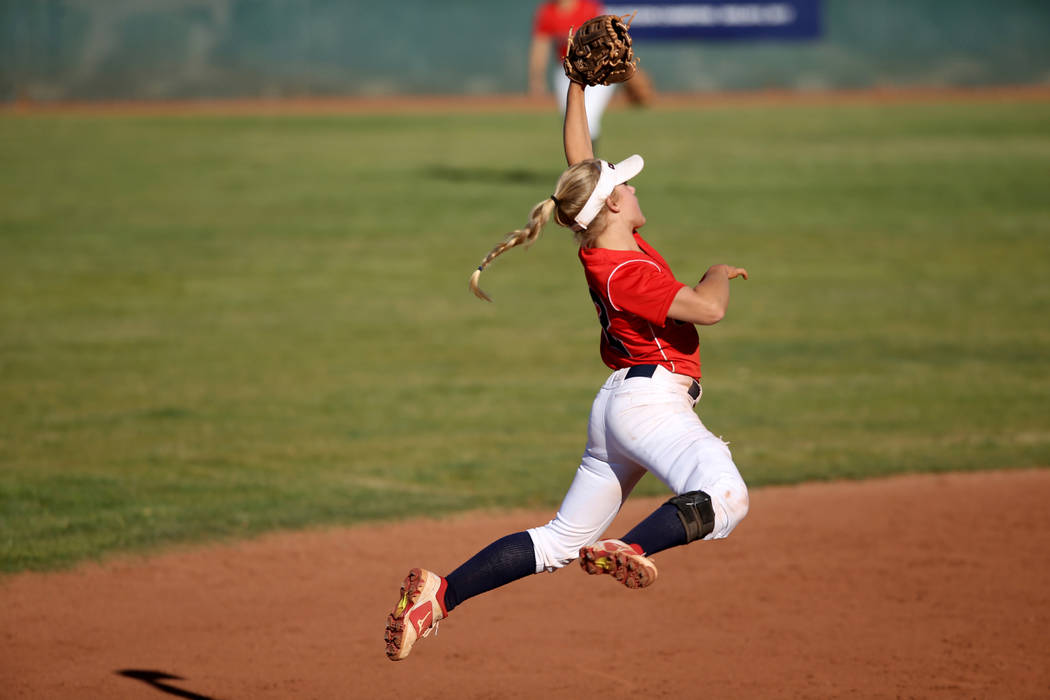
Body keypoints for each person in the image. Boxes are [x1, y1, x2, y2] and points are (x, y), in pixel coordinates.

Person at [384, 79, 751, 662]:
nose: (632, 187)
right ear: (610, 204)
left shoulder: (600, 242)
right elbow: (708, 310)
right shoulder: (628, 271)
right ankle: (631, 547)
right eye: (624, 185)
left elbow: (580, 165)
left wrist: (578, 84)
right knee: (726, 495)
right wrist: (715, 270)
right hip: (649, 404)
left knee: (560, 540)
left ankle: (442, 594)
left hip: (617, 407)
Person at [529, 0, 618, 144]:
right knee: (571, 120)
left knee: (588, 117)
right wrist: (536, 79)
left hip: (597, 69)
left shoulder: (589, 8)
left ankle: (589, 164)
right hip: (568, 71)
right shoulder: (548, 12)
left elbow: (609, 40)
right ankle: (584, 164)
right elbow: (540, 46)